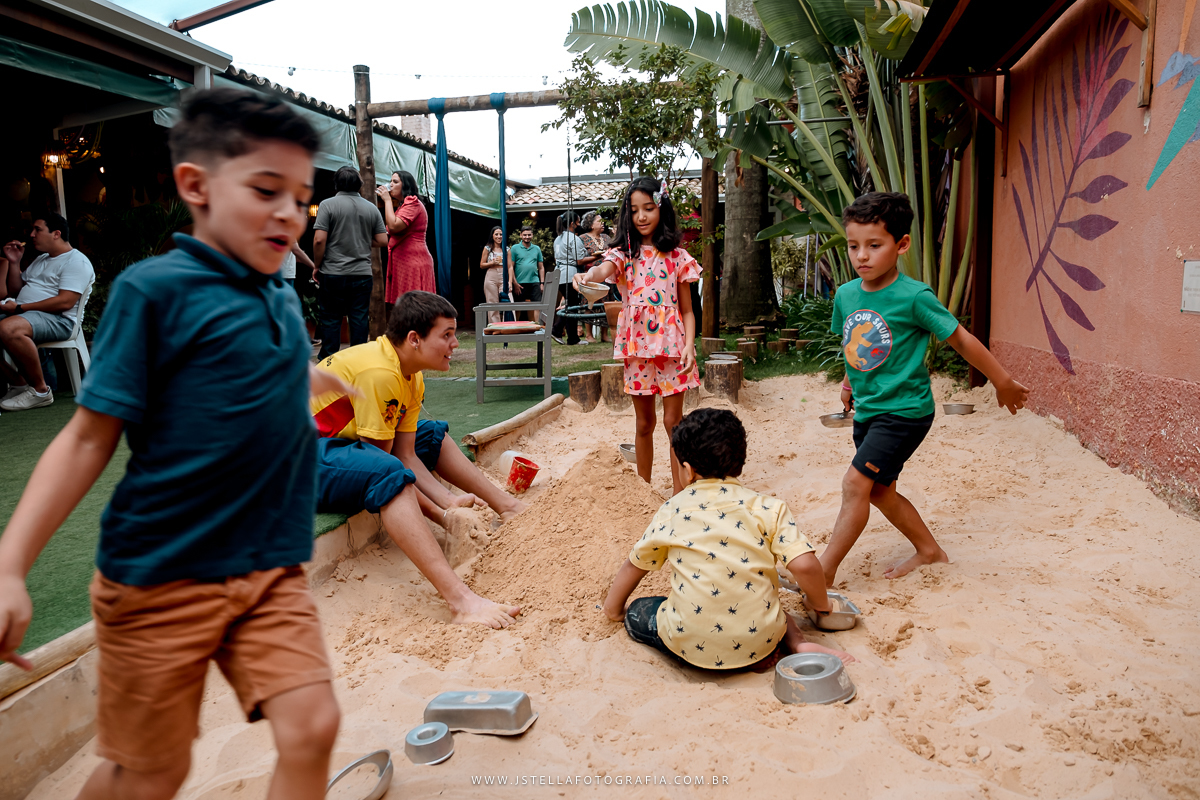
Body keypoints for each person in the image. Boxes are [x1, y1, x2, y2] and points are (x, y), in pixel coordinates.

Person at [0, 87, 344, 800]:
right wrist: (10, 568)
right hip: (160, 575)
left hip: (270, 566)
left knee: (311, 727)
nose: (289, 211)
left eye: (301, 197)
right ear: (196, 185)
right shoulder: (153, 291)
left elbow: (252, 361)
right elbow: (88, 439)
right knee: (153, 770)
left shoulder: (277, 292)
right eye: (266, 189)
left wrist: (308, 378)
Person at [823, 192, 1030, 587]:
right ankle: (929, 550)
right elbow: (853, 346)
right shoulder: (847, 295)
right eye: (854, 246)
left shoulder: (914, 297)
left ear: (901, 245)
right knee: (880, 491)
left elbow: (962, 339)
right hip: (869, 409)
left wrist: (1001, 381)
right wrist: (849, 384)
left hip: (905, 412)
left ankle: (824, 571)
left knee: (854, 484)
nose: (861, 256)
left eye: (874, 245)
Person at [312, 291, 525, 629]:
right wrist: (444, 515)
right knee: (386, 473)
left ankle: (509, 507)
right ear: (414, 339)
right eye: (447, 334)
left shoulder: (411, 374)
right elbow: (386, 467)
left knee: (430, 436)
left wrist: (450, 501)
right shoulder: (380, 373)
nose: (455, 343)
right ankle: (461, 601)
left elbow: (407, 452)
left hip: (336, 445)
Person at [602, 408, 855, 670]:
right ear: (740, 462)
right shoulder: (768, 508)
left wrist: (613, 610)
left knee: (641, 608)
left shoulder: (673, 510)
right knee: (771, 608)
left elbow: (635, 566)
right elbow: (804, 565)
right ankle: (798, 643)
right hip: (760, 645)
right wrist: (820, 604)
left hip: (689, 647)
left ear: (688, 470)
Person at [574, 177, 700, 496]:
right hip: (638, 347)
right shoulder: (623, 253)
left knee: (675, 423)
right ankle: (644, 494)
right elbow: (601, 271)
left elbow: (687, 310)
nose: (641, 216)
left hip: (672, 347)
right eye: (634, 210)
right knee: (644, 424)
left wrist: (689, 345)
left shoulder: (676, 257)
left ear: (662, 209)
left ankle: (679, 494)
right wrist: (587, 275)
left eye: (648, 208)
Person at [0, 212, 95, 411]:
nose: (32, 234)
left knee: (9, 328)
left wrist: (19, 308)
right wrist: (15, 263)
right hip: (28, 316)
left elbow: (65, 302)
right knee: (8, 325)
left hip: (59, 320)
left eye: (38, 229)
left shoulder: (76, 261)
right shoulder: (42, 259)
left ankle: (41, 391)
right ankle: (18, 383)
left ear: (56, 233)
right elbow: (17, 290)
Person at [313, 165, 387, 360]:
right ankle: (359, 360)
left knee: (331, 318)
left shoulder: (327, 205)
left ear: (336, 184)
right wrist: (361, 240)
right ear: (359, 185)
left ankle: (329, 359)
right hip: (362, 273)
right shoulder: (371, 207)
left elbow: (319, 240)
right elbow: (382, 240)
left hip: (333, 272)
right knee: (359, 318)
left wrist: (317, 265)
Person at [377, 170, 435, 301]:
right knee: (404, 306)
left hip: (413, 262)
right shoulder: (402, 206)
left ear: (406, 186)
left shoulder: (412, 202)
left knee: (414, 305)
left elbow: (393, 225)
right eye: (390, 181)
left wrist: (387, 201)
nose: (390, 185)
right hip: (403, 262)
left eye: (395, 182)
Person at [551, 211, 597, 345]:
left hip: (559, 273)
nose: (578, 225)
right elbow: (580, 260)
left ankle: (571, 337)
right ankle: (557, 330)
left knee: (571, 305)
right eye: (577, 223)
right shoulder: (573, 238)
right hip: (569, 274)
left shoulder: (558, 238)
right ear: (572, 223)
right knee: (572, 306)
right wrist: (598, 256)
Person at [508, 226, 543, 322]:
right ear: (520, 235)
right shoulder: (514, 248)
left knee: (538, 305)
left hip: (534, 281)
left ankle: (538, 327)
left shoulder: (537, 249)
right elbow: (511, 267)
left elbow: (541, 267)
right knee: (518, 307)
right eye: (524, 235)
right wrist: (514, 283)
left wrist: (542, 283)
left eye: (529, 235)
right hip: (519, 283)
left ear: (532, 235)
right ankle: (516, 327)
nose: (527, 237)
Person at [478, 226, 508, 326]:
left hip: (504, 274)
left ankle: (507, 325)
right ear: (492, 236)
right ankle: (495, 326)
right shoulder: (488, 248)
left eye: (501, 234)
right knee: (492, 301)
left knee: (507, 299)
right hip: (491, 274)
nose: (499, 236)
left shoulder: (507, 249)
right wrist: (491, 263)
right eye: (496, 234)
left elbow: (511, 266)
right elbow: (481, 265)